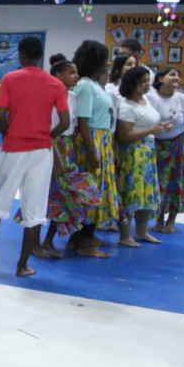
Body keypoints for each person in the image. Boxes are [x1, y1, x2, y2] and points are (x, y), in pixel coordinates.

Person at [0, 37, 69, 277]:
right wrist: (47, 135)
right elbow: (65, 122)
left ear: (21, 55)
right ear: (39, 55)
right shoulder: (55, 84)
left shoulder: (10, 79)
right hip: (41, 152)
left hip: (13, 149)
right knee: (34, 209)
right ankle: (22, 265)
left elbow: (2, 115)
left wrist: (8, 133)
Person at [37, 58, 99, 258]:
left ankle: (48, 240)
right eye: (71, 72)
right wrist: (55, 153)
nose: (76, 76)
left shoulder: (72, 97)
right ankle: (37, 241)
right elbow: (48, 128)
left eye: (76, 72)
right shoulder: (46, 96)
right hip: (52, 145)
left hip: (67, 147)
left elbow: (72, 126)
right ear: (58, 75)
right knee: (48, 196)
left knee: (66, 196)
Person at [67, 40, 119, 259]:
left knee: (97, 190)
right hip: (93, 141)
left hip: (102, 140)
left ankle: (82, 236)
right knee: (90, 191)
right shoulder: (86, 85)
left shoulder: (96, 85)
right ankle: (84, 240)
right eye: (104, 60)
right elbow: (84, 123)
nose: (108, 64)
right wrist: (92, 151)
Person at [114, 66, 171, 247]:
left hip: (147, 151)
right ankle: (124, 235)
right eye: (144, 81)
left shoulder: (145, 101)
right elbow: (124, 136)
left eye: (148, 80)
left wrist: (160, 127)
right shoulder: (127, 106)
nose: (148, 85)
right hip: (133, 153)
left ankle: (141, 231)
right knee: (130, 192)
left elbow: (148, 125)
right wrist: (151, 130)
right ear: (134, 84)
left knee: (146, 193)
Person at [147, 67, 184, 233]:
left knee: (175, 183)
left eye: (178, 75)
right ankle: (158, 219)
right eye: (172, 74)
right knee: (159, 183)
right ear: (160, 79)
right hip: (157, 146)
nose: (176, 77)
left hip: (179, 146)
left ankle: (171, 220)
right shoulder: (150, 98)